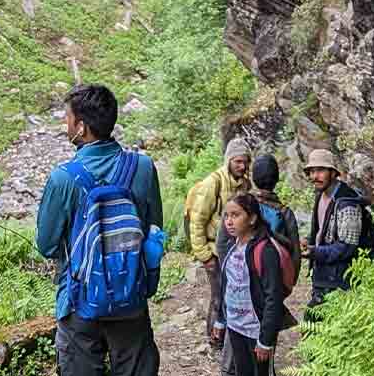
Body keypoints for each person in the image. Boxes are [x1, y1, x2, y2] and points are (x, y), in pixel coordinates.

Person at [36, 84, 164, 376]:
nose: (65, 124)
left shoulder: (63, 178)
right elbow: (154, 228)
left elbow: (46, 245)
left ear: (81, 128)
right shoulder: (143, 167)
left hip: (78, 299)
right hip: (130, 293)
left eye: (68, 118)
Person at [212, 193, 290, 376]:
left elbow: (273, 297)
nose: (229, 221)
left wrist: (266, 339)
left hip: (256, 331)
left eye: (235, 215)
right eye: (226, 216)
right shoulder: (232, 247)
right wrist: (221, 319)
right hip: (235, 327)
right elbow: (226, 287)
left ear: (252, 218)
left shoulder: (265, 251)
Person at [187, 138, 252, 358]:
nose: (242, 166)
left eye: (245, 161)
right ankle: (215, 342)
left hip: (236, 251)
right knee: (218, 297)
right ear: (228, 160)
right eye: (238, 161)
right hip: (215, 251)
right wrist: (205, 256)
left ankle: (230, 342)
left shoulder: (245, 184)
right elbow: (197, 220)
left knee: (233, 295)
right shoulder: (212, 183)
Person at [300, 149, 366, 306]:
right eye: (312, 171)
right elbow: (322, 232)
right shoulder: (321, 195)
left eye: (320, 170)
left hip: (340, 283)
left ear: (333, 173)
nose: (314, 176)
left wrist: (314, 252)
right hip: (323, 277)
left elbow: (347, 248)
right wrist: (308, 241)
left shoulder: (347, 203)